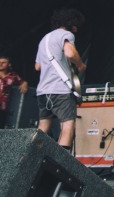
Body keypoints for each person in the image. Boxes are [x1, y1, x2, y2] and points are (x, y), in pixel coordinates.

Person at [35, 8, 87, 151]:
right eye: (75, 24)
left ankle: (29, 157)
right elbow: (70, 53)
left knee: (42, 128)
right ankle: (61, 164)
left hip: (42, 92)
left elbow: (37, 66)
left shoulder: (44, 39)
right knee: (67, 125)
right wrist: (80, 64)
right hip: (60, 90)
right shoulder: (66, 34)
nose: (76, 29)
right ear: (70, 22)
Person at [0, 55, 29, 128]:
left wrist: (25, 83)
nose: (0, 64)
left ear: (9, 64)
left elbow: (22, 82)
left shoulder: (13, 76)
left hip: (4, 106)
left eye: (3, 62)